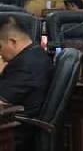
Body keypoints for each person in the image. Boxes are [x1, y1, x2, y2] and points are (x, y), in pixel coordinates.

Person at [0, 16, 54, 150]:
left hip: (16, 132)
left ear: (12, 42)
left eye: (0, 47)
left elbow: (1, 102)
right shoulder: (36, 53)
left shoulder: (24, 65)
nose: (0, 53)